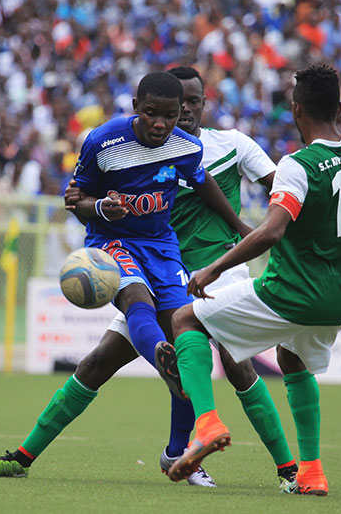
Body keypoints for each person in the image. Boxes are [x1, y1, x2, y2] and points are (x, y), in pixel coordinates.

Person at [0, 72, 251, 485]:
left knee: (118, 357)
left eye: (169, 116)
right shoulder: (104, 141)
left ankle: (176, 453)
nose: (160, 123)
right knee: (139, 303)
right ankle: (161, 362)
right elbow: (75, 199)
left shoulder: (187, 146)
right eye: (151, 113)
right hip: (112, 244)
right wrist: (101, 208)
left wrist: (239, 226)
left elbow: (203, 183)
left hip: (163, 248)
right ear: (136, 105)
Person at [164, 64, 341, 495]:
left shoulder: (297, 165)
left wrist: (212, 269)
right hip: (339, 299)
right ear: (340, 108)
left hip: (290, 293)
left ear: (296, 110)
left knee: (185, 320)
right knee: (292, 361)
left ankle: (206, 424)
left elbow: (273, 230)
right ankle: (309, 473)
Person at [102, 66, 298, 488]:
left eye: (193, 102)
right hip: (162, 271)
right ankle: (23, 455)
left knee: (237, 365)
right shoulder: (149, 147)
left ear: (203, 104)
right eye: (178, 104)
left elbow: (285, 185)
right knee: (100, 361)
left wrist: (258, 230)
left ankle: (287, 470)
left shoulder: (233, 145)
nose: (185, 110)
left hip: (219, 271)